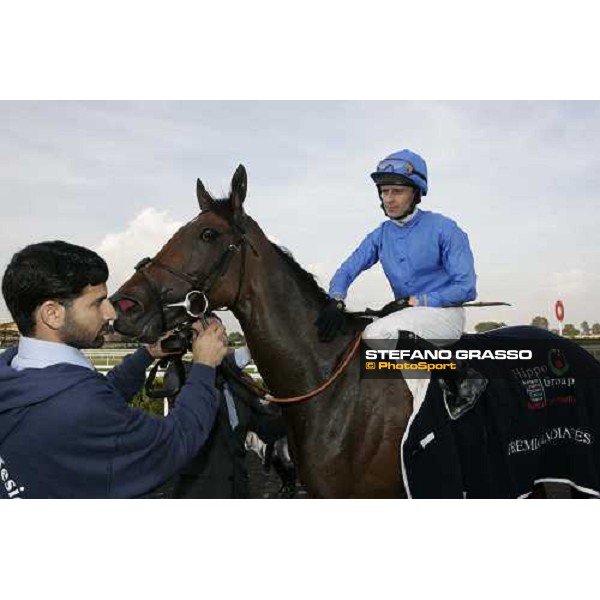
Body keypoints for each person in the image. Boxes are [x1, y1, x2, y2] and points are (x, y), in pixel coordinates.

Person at [0, 240, 228, 499]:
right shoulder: (78, 404)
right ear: (52, 314)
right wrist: (205, 365)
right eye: (97, 303)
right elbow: (176, 441)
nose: (111, 313)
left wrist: (146, 355)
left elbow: (99, 399)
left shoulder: (16, 370)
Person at [316, 149, 477, 407]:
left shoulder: (445, 228)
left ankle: (462, 378)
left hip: (444, 315)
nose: (388, 199)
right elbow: (347, 269)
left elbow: (466, 288)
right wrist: (336, 298)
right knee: (357, 330)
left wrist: (418, 300)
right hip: (408, 317)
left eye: (397, 192)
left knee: (378, 333)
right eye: (384, 191)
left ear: (416, 193)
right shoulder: (380, 234)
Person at [161, 316, 290, 499]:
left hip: (239, 489)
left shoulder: (238, 382)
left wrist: (292, 408)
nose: (219, 339)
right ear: (194, 343)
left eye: (221, 333)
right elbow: (193, 403)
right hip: (197, 492)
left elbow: (267, 429)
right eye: (211, 334)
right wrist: (229, 363)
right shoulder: (181, 374)